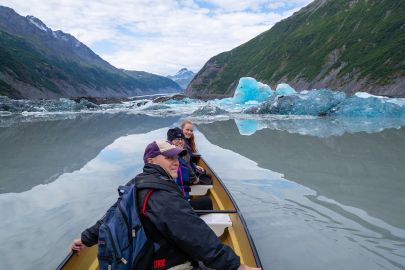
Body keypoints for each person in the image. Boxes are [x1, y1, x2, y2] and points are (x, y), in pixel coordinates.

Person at [71, 140, 260, 270]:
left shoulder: (136, 182)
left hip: (140, 258)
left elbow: (111, 214)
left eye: (176, 158)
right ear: (150, 160)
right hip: (162, 263)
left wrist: (85, 238)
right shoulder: (160, 191)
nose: (176, 162)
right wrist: (236, 266)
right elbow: (193, 233)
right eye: (169, 158)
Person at [167, 128, 212, 210]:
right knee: (208, 201)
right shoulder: (172, 161)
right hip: (177, 205)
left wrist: (195, 166)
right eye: (177, 139)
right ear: (170, 141)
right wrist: (196, 179)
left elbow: (189, 165)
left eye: (182, 139)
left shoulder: (180, 155)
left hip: (181, 200)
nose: (180, 141)